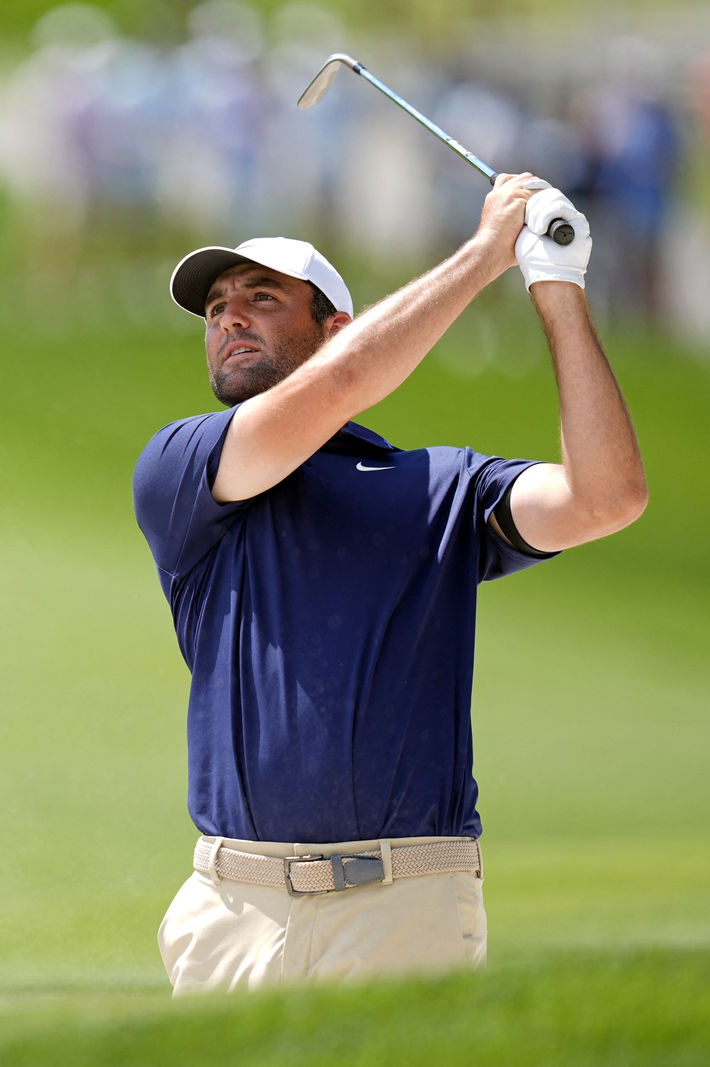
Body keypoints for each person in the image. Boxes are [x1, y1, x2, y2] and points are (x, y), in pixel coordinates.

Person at [132, 175, 647, 994]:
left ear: (334, 326)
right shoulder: (183, 466)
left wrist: (557, 288)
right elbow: (337, 386)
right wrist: (485, 256)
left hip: (405, 900)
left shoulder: (441, 488)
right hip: (236, 907)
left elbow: (606, 495)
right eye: (216, 306)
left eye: (261, 297)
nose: (228, 315)